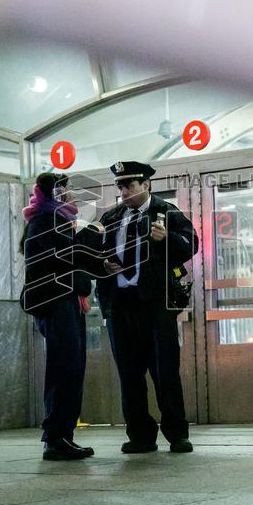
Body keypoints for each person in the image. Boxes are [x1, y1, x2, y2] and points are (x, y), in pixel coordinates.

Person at [94, 161, 199, 454]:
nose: (125, 191)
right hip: (121, 306)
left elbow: (191, 246)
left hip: (155, 306)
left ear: (146, 185)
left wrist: (167, 239)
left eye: (130, 185)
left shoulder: (167, 212)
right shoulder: (112, 217)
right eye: (120, 186)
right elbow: (94, 253)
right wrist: (101, 264)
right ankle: (140, 434)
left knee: (165, 371)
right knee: (130, 375)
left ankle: (177, 433)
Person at [20, 172, 95, 461]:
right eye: (64, 191)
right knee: (64, 369)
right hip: (55, 304)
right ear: (52, 194)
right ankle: (55, 438)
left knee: (72, 368)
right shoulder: (44, 222)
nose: (70, 195)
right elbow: (60, 262)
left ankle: (63, 435)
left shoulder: (59, 222)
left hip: (66, 302)